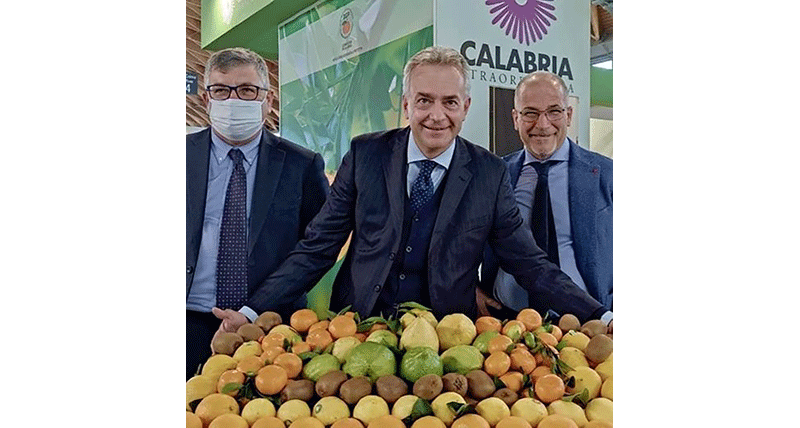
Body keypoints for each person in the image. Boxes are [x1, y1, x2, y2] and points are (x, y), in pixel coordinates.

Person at [213, 46, 607, 335]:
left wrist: (601, 316)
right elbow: (317, 247)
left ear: (466, 106)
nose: (437, 115)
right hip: (358, 329)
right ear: (405, 104)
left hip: (446, 340)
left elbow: (529, 263)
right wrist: (252, 311)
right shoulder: (366, 155)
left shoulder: (488, 173)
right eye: (424, 101)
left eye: (449, 102)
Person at [186, 47, 329, 379]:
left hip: (272, 322)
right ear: (206, 100)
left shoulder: (302, 165)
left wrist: (254, 310)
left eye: (247, 90)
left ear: (268, 100)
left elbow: (317, 247)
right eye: (221, 90)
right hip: (188, 318)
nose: (234, 100)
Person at [479, 71, 613, 320]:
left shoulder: (607, 174)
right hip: (507, 323)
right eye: (530, 113)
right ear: (515, 118)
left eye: (554, 111)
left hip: (588, 321)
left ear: (569, 115)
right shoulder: (493, 175)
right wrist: (473, 289)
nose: (542, 124)